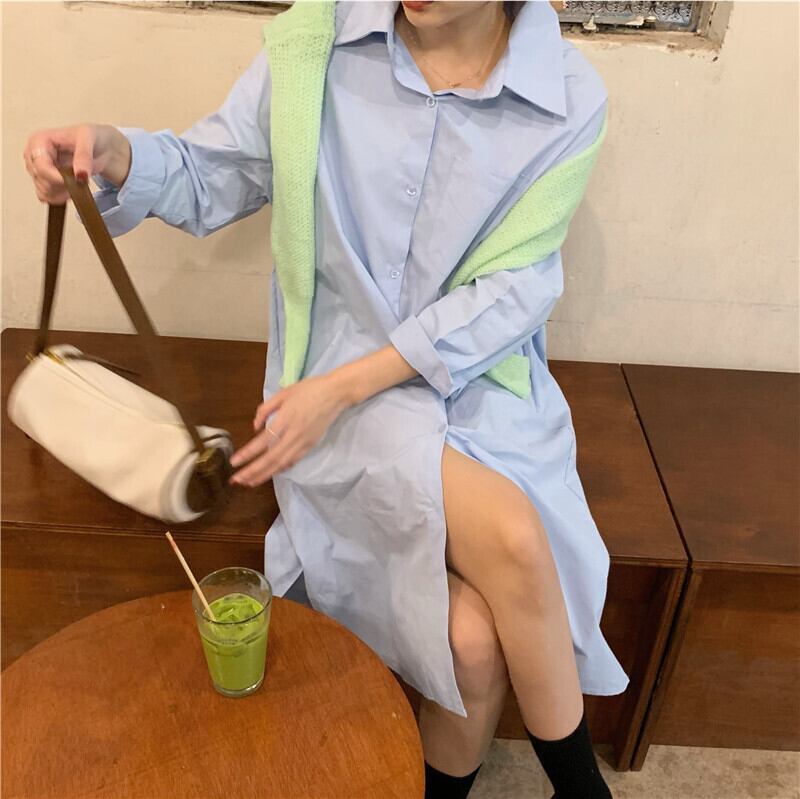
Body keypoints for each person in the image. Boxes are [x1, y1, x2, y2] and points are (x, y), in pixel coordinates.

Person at [23, 1, 629, 796]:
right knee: (514, 537)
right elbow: (218, 171)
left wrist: (352, 383)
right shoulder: (319, 41)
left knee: (473, 645)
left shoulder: (566, 98)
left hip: (482, 391)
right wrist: (116, 153)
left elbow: (512, 293)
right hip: (332, 406)